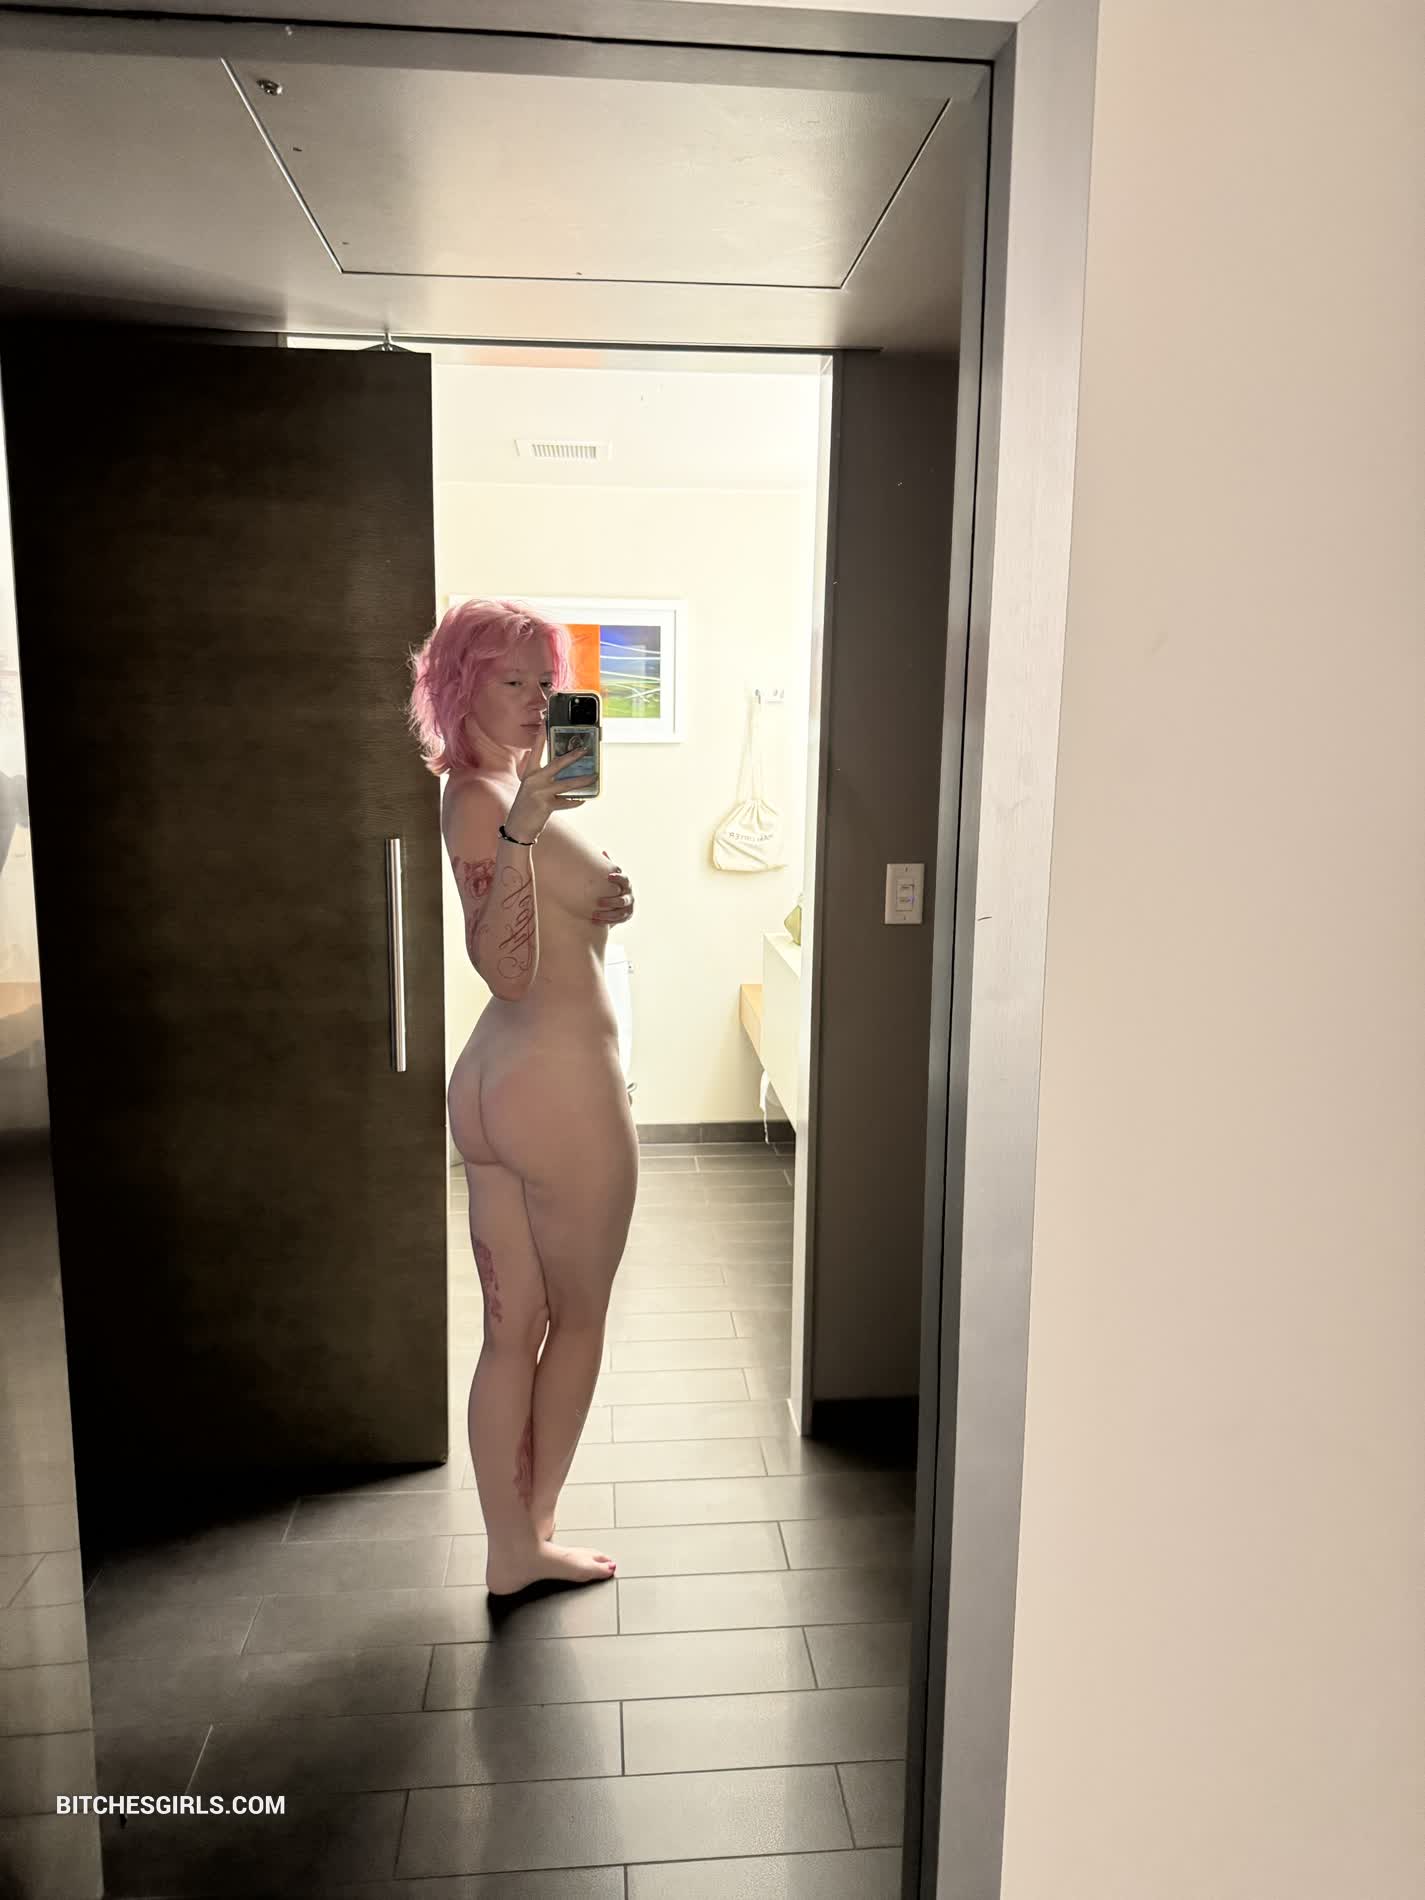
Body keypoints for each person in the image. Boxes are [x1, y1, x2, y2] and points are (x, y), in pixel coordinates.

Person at [407, 598, 638, 1596]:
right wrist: (532, 824)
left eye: (546, 681)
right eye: (514, 680)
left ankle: (514, 1550)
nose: (540, 698)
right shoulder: (487, 799)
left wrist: (597, 892)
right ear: (461, 688)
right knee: (575, 1322)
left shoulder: (495, 788)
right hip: (558, 1090)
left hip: (497, 1087)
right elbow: (503, 967)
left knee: (511, 1331)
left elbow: (535, 916)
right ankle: (528, 1538)